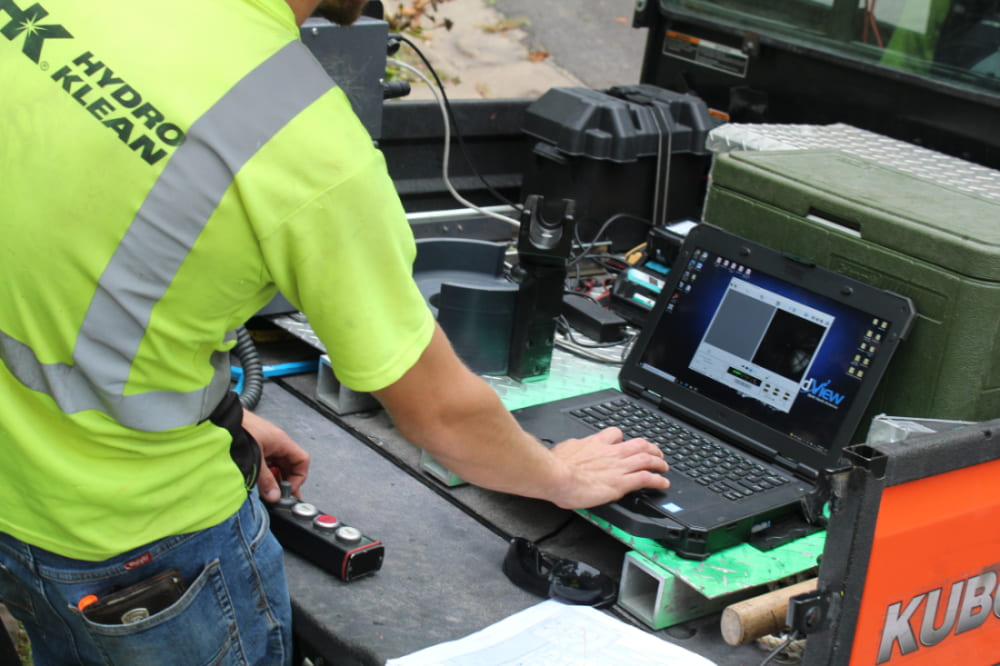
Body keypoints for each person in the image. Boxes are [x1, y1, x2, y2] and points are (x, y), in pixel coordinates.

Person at [0, 0, 669, 663]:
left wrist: (206, 406)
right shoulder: (306, 141)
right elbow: (442, 414)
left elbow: (51, 256)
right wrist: (558, 476)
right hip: (140, 552)